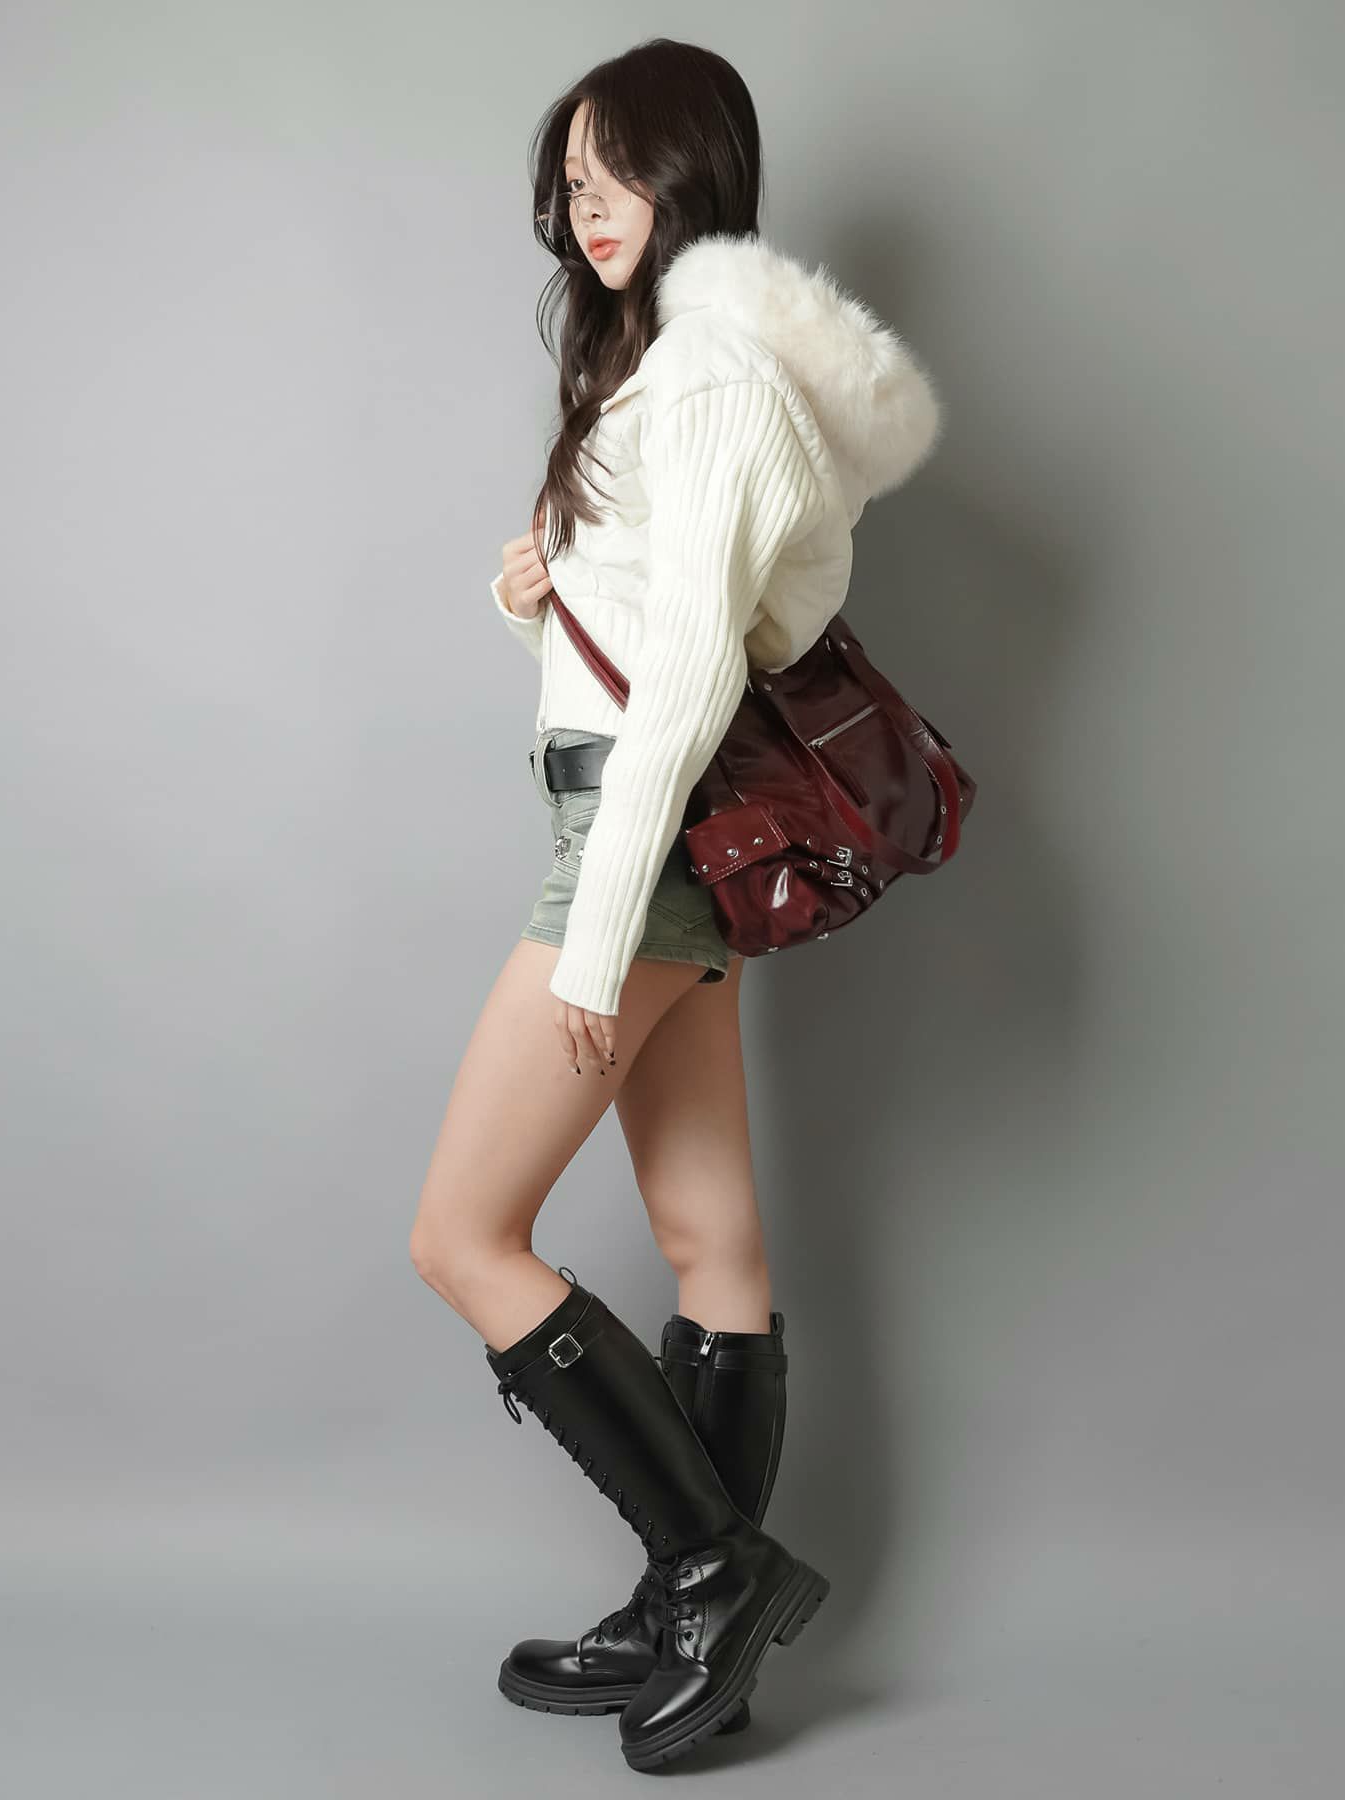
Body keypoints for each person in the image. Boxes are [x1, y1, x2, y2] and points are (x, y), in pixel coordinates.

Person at [409, 37, 943, 1771]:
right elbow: (673, 620)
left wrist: (598, 928)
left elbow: (705, 666)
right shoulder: (673, 366)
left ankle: (714, 1570)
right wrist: (541, 588)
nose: (589, 208)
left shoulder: (708, 369)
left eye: (618, 170)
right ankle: (684, 1611)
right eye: (570, 182)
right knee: (716, 1246)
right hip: (666, 839)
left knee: (462, 1238)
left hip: (635, 848)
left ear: (693, 164)